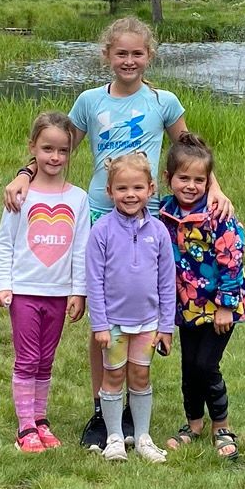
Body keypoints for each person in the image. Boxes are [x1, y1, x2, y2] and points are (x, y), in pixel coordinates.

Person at [3, 16, 229, 451]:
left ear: (150, 56)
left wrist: (217, 189)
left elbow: (191, 153)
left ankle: (134, 401)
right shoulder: (88, 101)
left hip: (149, 216)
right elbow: (57, 147)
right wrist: (24, 174)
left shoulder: (164, 101)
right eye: (121, 53)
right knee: (102, 313)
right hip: (99, 217)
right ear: (107, 56)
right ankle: (102, 405)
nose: (129, 60)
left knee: (140, 302)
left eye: (137, 53)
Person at [0, 110, 89, 453]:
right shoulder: (20, 195)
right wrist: (3, 284)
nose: (55, 157)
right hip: (25, 293)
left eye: (62, 150)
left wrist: (79, 290)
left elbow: (81, 248)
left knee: (46, 358)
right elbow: (5, 242)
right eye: (47, 148)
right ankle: (25, 428)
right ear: (32, 147)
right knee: (27, 357)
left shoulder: (78, 198)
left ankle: (41, 419)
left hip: (58, 294)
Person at [158, 133, 245, 460]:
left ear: (208, 181)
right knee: (188, 366)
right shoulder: (163, 213)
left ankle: (221, 426)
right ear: (168, 179)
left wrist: (226, 306)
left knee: (206, 364)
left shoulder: (217, 214)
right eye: (183, 178)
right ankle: (193, 424)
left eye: (199, 179)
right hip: (185, 307)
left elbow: (232, 258)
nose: (191, 185)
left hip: (218, 307)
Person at [84, 152, 176, 464]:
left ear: (151, 189)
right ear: (109, 192)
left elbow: (166, 283)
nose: (130, 195)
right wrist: (99, 325)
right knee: (113, 378)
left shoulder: (159, 232)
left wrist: (166, 327)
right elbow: (94, 282)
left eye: (137, 188)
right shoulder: (101, 232)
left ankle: (142, 437)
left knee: (140, 376)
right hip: (114, 325)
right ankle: (113, 438)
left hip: (148, 324)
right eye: (122, 188)